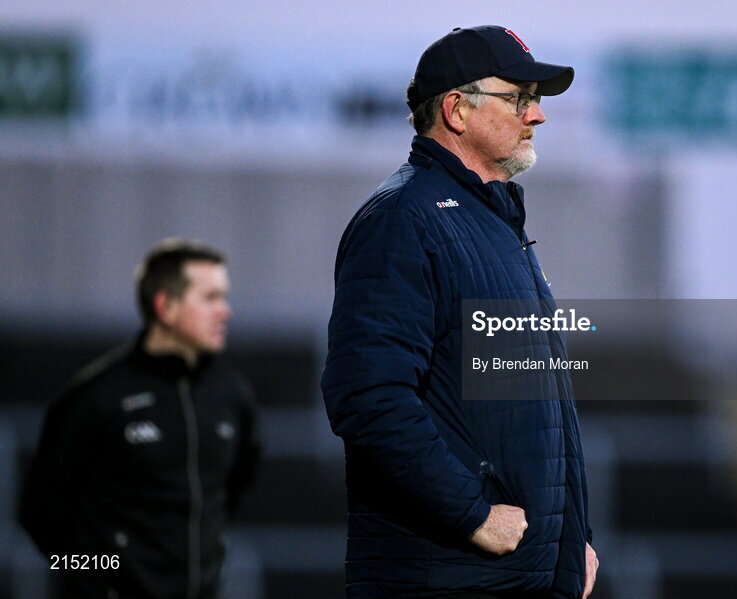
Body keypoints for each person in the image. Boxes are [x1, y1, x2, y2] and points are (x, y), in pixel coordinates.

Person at [321, 25, 597, 599]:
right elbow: (368, 396)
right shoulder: (404, 219)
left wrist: (574, 540)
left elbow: (537, 416)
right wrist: (471, 513)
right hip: (448, 574)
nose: (537, 115)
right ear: (456, 110)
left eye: (536, 99)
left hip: (518, 575)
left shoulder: (491, 223)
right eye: (518, 97)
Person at [19, 238, 261, 599]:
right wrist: (101, 577)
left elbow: (234, 492)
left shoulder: (232, 395)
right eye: (210, 298)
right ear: (165, 305)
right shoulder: (95, 397)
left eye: (223, 297)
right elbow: (39, 516)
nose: (224, 311)